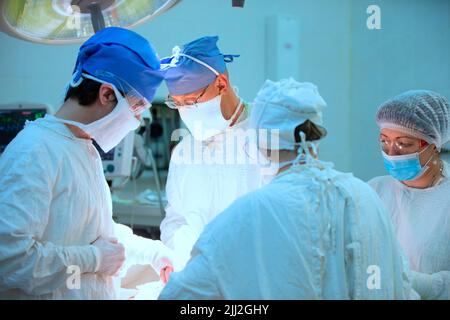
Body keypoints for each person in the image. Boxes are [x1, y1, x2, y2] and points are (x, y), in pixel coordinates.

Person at [159, 78, 416, 299]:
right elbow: (401, 282)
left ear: (259, 140)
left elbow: (182, 293)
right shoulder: (364, 195)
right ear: (316, 135)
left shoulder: (254, 210)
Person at [0, 27, 174, 299]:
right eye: (137, 107)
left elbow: (88, 231)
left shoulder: (81, 147)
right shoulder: (34, 151)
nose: (138, 120)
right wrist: (93, 259)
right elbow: (11, 261)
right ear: (106, 95)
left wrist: (150, 252)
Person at [159, 36, 262, 270]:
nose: (185, 111)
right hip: (198, 278)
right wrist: (185, 252)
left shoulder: (265, 136)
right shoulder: (184, 151)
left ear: (221, 83)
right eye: (178, 103)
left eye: (191, 101)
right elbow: (175, 220)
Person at [369, 90, 450, 300]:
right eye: (384, 141)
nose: (391, 153)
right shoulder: (374, 191)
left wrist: (410, 282)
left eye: (403, 144)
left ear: (434, 145)